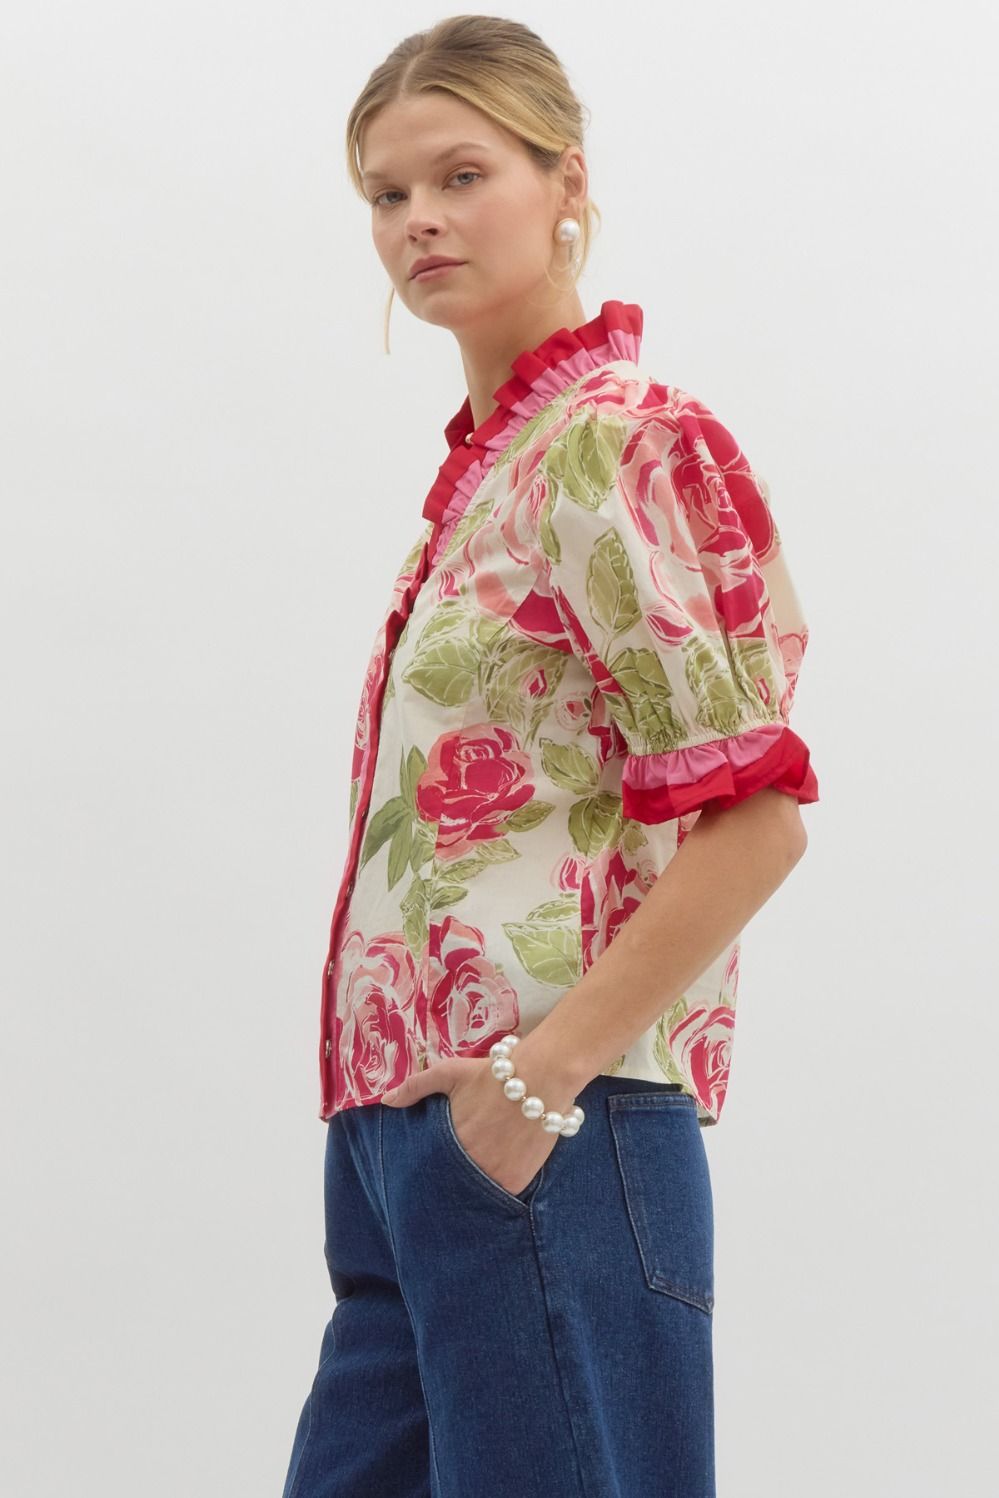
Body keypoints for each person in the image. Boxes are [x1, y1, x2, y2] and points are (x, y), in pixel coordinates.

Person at [281, 16, 819, 1498]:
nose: (419, 220)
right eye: (387, 194)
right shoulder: (493, 472)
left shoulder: (616, 443)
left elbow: (759, 818)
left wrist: (536, 1085)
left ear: (566, 180)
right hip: (405, 1140)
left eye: (462, 176)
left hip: (552, 1128)